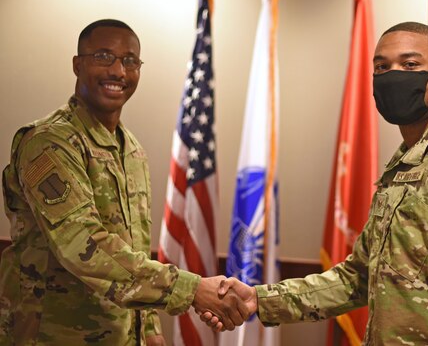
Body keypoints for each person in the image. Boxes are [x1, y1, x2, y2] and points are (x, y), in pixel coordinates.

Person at [204, 22, 428, 345]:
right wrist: (259, 300)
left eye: (410, 65)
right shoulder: (406, 164)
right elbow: (357, 277)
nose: (394, 75)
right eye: (382, 67)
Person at [0, 19, 247, 346]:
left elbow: (134, 249)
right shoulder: (49, 143)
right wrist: (191, 290)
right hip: (50, 333)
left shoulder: (131, 149)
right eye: (103, 56)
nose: (118, 71)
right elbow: (81, 244)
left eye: (130, 61)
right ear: (77, 65)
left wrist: (149, 330)